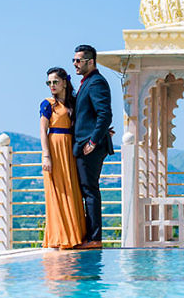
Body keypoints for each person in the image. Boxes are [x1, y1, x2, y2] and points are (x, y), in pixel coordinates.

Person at [72, 44, 114, 249]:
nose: (75, 64)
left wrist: (93, 141)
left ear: (91, 61)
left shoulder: (96, 82)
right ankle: (89, 236)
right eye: (74, 60)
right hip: (83, 144)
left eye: (78, 60)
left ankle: (95, 238)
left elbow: (105, 114)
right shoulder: (87, 82)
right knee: (86, 190)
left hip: (90, 146)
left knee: (90, 191)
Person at [39, 67, 86, 249]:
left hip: (70, 148)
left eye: (55, 82)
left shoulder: (73, 103)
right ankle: (59, 236)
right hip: (54, 148)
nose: (52, 85)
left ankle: (74, 235)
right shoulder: (47, 104)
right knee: (57, 191)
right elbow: (43, 131)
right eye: (49, 82)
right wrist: (46, 156)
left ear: (64, 82)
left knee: (72, 189)